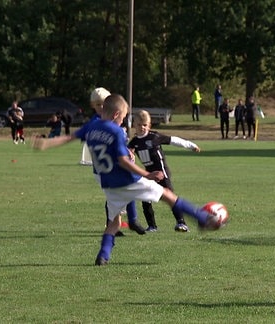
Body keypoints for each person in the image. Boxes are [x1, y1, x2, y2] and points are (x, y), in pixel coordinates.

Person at [33, 94, 222, 266]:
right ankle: (202, 218)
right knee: (168, 195)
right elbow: (123, 160)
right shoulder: (115, 132)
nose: (124, 120)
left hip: (109, 185)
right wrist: (147, 174)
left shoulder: (92, 126)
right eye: (123, 117)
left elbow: (69, 137)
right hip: (129, 181)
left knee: (114, 223)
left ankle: (103, 255)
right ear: (116, 114)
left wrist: (46, 143)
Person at [81, 87, 145, 236]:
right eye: (98, 105)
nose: (101, 107)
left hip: (113, 165)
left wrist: (128, 150)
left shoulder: (111, 119)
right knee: (118, 192)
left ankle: (126, 222)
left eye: (104, 104)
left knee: (124, 190)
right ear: (93, 106)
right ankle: (123, 223)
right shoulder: (98, 122)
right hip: (105, 168)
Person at [128, 109, 201, 233]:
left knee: (170, 197)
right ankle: (152, 226)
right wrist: (130, 155)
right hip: (148, 174)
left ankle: (181, 223)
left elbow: (174, 140)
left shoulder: (155, 136)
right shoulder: (134, 142)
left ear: (149, 125)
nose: (142, 127)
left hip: (162, 172)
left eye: (145, 125)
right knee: (146, 199)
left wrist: (191, 146)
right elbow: (127, 153)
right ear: (134, 125)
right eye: (139, 125)